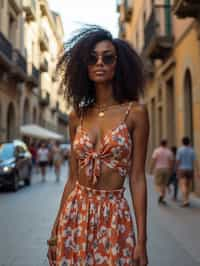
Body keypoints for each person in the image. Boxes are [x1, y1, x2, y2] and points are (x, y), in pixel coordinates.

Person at [47, 26, 149, 266]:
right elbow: (72, 180)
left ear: (118, 64)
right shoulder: (77, 116)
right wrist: (55, 231)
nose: (99, 63)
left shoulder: (135, 113)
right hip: (75, 215)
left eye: (108, 57)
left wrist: (142, 240)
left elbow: (137, 179)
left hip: (114, 217)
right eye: (92, 58)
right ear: (85, 66)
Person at [176, 136, 200, 207]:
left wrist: (176, 169)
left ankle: (185, 200)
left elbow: (178, 161)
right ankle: (187, 199)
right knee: (188, 185)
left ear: (182, 142)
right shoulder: (192, 150)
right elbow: (195, 162)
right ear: (189, 142)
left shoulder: (180, 150)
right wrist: (198, 171)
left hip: (182, 169)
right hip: (190, 169)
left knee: (183, 185)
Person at [150, 139, 173, 205]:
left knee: (157, 184)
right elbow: (171, 161)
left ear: (160, 143)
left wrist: (151, 169)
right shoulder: (169, 151)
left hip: (158, 169)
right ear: (166, 144)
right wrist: (171, 170)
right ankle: (162, 196)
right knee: (164, 184)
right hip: (166, 169)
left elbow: (153, 160)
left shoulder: (157, 151)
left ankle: (160, 194)